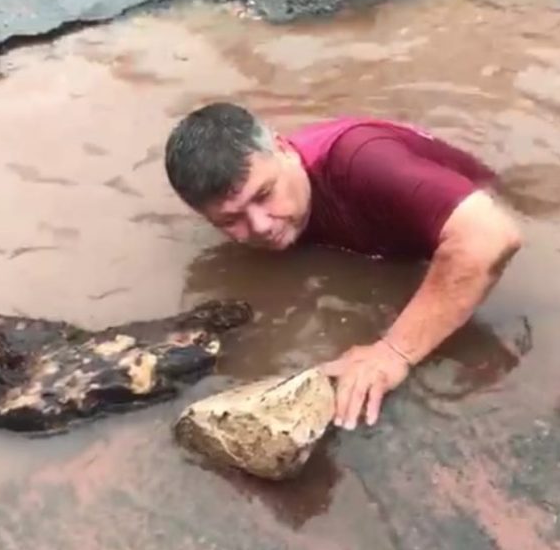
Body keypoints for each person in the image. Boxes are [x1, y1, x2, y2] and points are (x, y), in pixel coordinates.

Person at [164, 102, 522, 431]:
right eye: (230, 221)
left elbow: (491, 236)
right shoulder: (277, 197)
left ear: (283, 148)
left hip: (481, 207)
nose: (260, 226)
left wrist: (393, 352)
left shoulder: (360, 161)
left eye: (263, 195)